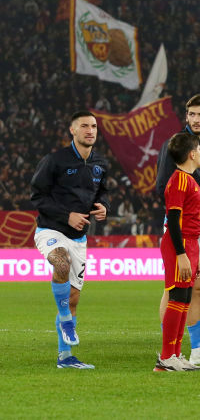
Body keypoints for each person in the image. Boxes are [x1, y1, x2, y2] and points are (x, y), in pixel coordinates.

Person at [154, 93, 200, 367]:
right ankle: (167, 351)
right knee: (174, 291)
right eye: (192, 114)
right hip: (182, 233)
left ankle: (192, 351)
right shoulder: (177, 149)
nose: (196, 119)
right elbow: (164, 189)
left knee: (195, 291)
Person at [30, 110, 109, 369]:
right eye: (84, 126)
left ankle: (65, 357)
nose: (90, 130)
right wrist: (67, 215)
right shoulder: (55, 160)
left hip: (79, 237)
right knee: (60, 263)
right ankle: (65, 318)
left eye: (94, 126)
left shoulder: (100, 163)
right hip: (51, 230)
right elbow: (37, 196)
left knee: (73, 298)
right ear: (72, 131)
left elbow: (102, 192)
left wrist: (103, 206)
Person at [155, 132, 200, 372]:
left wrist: (196, 256)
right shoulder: (180, 181)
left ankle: (175, 354)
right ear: (192, 154)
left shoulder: (189, 180)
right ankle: (166, 358)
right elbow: (173, 221)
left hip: (190, 243)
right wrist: (181, 253)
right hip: (180, 244)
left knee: (185, 298)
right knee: (177, 297)